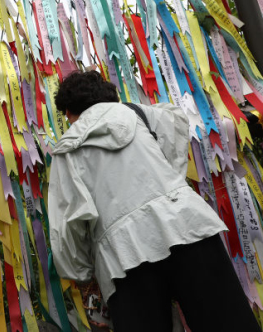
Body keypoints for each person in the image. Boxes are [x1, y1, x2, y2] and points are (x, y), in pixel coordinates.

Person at [48, 70, 261, 332]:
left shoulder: (66, 150)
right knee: (229, 324)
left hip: (124, 259)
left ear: (69, 111)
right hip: (187, 227)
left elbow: (66, 224)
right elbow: (174, 146)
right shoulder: (140, 113)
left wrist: (81, 272)